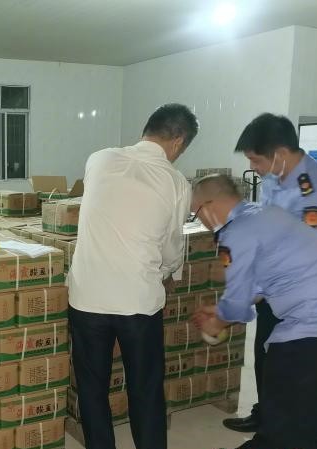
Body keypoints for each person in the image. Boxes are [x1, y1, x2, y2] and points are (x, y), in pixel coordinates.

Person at [68, 103, 198, 449]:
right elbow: (172, 248)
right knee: (145, 389)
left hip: (87, 297)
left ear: (147, 130)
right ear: (178, 141)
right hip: (138, 302)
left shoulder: (99, 159)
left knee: (92, 388)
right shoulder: (175, 182)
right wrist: (168, 273)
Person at [190, 174, 317, 449]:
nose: (201, 221)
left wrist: (216, 323)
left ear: (209, 205)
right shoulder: (267, 214)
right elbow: (264, 282)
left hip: (310, 330)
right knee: (315, 424)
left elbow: (237, 301)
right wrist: (221, 310)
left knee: (282, 426)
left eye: (196, 213)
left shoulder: (234, 232)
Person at [223, 113, 317, 433]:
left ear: (280, 153)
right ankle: (266, 413)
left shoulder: (315, 189)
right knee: (265, 353)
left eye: (256, 160)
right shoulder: (273, 179)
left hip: (305, 298)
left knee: (299, 366)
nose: (253, 167)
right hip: (272, 290)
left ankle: (288, 427)